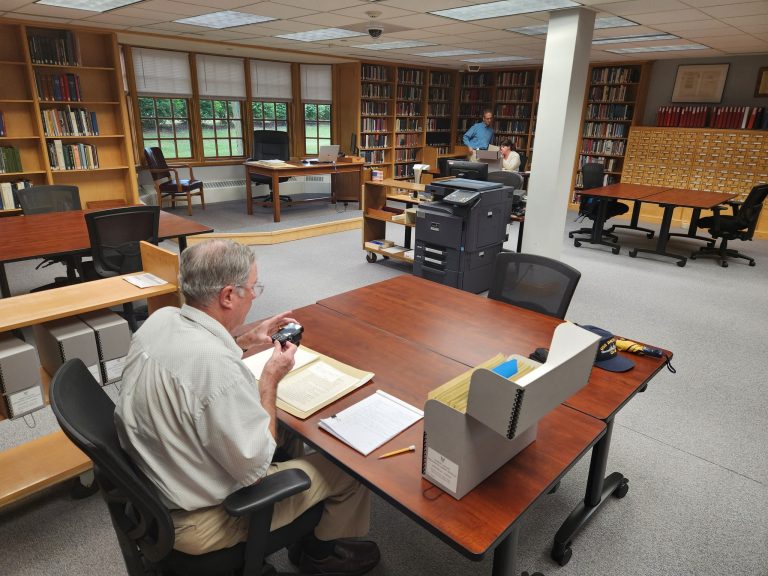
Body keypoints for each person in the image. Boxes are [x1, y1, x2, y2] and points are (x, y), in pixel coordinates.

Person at [114, 239, 379, 575]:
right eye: (252, 288)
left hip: (159, 483)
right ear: (228, 295)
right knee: (348, 471)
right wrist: (269, 380)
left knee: (287, 437)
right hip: (203, 521)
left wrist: (242, 341)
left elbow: (197, 373)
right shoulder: (216, 369)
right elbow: (255, 471)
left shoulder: (161, 320)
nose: (254, 295)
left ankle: (309, 530)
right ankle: (319, 555)